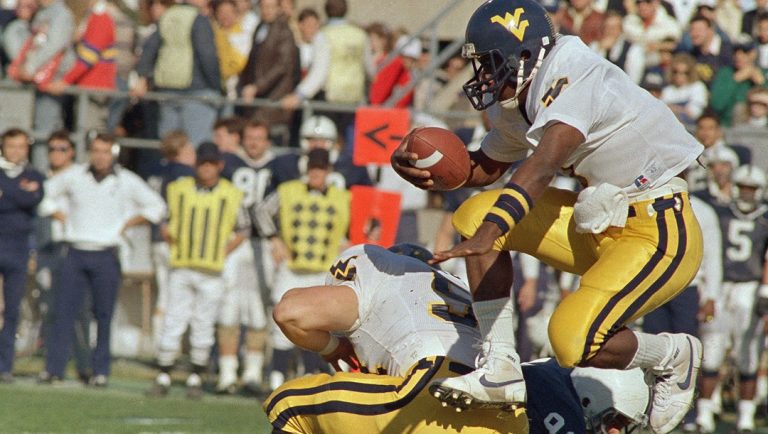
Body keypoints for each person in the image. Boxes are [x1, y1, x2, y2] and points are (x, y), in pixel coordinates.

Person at [391, 1, 704, 432]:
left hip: (658, 228)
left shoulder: (574, 70)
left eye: (489, 62)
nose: (482, 74)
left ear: (523, 56)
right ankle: (500, 365)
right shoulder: (521, 94)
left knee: (571, 340)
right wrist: (427, 169)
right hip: (599, 222)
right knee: (474, 213)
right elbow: (487, 165)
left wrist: (494, 230)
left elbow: (543, 163)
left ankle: (671, 355)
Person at [265, 243, 654, 433]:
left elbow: (290, 313)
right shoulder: (457, 293)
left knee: (287, 406)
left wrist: (337, 347)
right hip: (506, 418)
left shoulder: (379, 278)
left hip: (433, 395)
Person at [38, 133, 165, 386]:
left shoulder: (126, 180)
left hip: (106, 253)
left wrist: (130, 222)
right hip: (75, 250)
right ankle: (54, 369)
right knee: (64, 313)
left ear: (114, 153)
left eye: (105, 151)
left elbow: (157, 206)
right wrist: (58, 214)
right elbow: (43, 195)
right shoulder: (74, 176)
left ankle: (100, 371)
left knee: (104, 316)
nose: (100, 156)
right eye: (96, 150)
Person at [147, 142, 249, 399]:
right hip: (183, 266)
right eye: (203, 163)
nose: (206, 168)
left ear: (219, 165)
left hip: (212, 270)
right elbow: (163, 220)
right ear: (196, 165)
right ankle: (164, 373)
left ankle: (195, 375)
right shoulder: (178, 188)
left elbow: (244, 228)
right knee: (174, 319)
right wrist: (174, 243)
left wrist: (223, 251)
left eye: (211, 164)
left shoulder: (232, 193)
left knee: (203, 323)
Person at [254, 147, 351, 390]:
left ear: (328, 171)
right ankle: (276, 376)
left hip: (323, 268)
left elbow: (357, 226)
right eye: (312, 168)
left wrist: (350, 242)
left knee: (318, 325)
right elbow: (261, 211)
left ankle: (311, 376)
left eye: (320, 169)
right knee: (281, 318)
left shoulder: (343, 197)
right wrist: (274, 239)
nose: (315, 173)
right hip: (292, 267)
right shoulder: (288, 191)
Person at [696, 164, 768, 434]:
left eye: (752, 189)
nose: (747, 194)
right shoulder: (721, 214)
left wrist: (765, 291)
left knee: (749, 353)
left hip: (750, 289)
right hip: (722, 286)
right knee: (712, 351)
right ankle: (705, 414)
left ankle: (745, 417)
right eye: (743, 188)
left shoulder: (765, 218)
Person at [132, 0, 221, 145]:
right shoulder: (198, 19)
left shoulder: (167, 16)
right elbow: (207, 56)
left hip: (167, 88)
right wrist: (216, 86)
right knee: (196, 144)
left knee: (170, 146)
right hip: (196, 91)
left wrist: (143, 77)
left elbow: (149, 48)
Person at [0, 128, 44, 383]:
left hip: (17, 251)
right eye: (10, 146)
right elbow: (23, 198)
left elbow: (33, 199)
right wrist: (19, 194)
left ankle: (5, 366)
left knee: (13, 311)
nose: (15, 151)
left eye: (20, 146)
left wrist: (8, 193)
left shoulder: (34, 175)